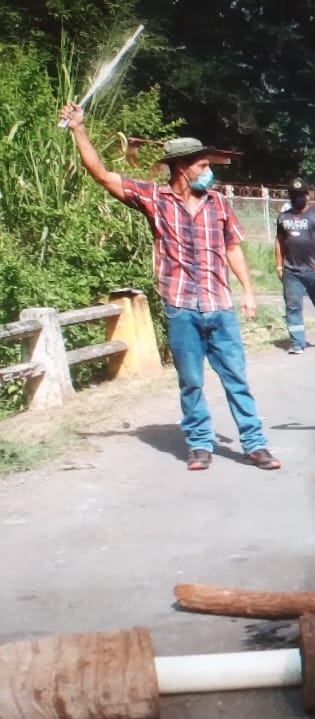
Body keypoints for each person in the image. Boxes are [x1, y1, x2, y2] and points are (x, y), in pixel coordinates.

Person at [59, 104, 281, 472]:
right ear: (182, 167)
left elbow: (232, 248)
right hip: (180, 307)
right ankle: (199, 445)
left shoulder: (220, 203)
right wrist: (79, 130)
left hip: (219, 306)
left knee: (237, 380)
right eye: (203, 166)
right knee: (190, 382)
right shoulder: (154, 200)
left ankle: (255, 444)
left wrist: (249, 291)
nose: (209, 172)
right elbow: (101, 174)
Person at [275, 178, 315, 354]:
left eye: (301, 194)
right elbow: (279, 243)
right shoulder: (283, 217)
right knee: (292, 307)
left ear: (308, 195)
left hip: (314, 270)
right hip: (291, 271)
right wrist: (279, 266)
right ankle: (297, 343)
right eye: (294, 195)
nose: (297, 198)